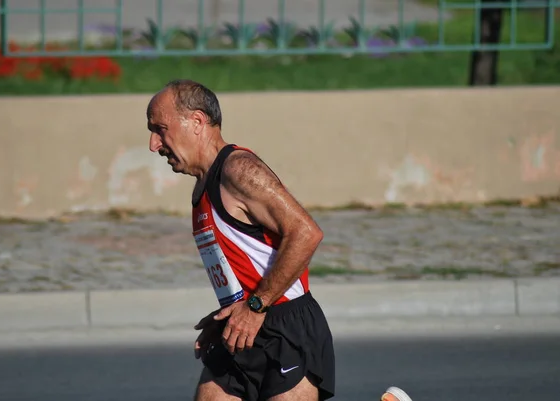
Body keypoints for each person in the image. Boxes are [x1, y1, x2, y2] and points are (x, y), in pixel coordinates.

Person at [146, 79, 413, 401]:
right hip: (242, 324)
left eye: (160, 129)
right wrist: (231, 311)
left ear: (198, 122)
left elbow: (306, 232)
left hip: (284, 324)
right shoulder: (203, 184)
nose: (153, 144)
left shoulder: (239, 170)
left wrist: (256, 306)